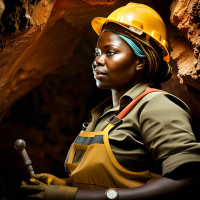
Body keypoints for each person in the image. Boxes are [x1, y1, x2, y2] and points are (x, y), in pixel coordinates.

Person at [21, 3, 200, 200]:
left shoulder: (157, 106)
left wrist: (67, 195)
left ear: (140, 61)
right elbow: (106, 182)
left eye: (111, 52)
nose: (97, 60)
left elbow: (186, 180)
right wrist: (61, 184)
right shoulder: (103, 114)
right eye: (98, 53)